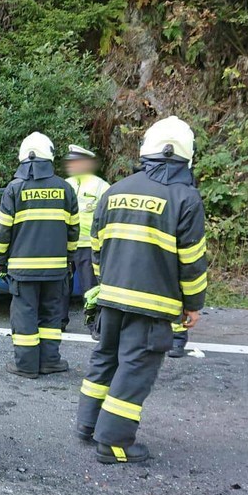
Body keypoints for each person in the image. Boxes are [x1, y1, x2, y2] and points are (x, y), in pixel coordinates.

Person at [74, 116, 207, 464]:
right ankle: (113, 443)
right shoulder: (186, 198)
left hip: (111, 297)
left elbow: (97, 246)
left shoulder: (115, 190)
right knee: (135, 370)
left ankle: (88, 425)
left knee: (105, 359)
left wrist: (106, 283)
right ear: (184, 155)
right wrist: (193, 304)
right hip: (152, 305)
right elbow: (191, 260)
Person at [0, 131, 80, 378]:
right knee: (52, 315)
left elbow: (3, 231)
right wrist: (69, 259)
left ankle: (26, 365)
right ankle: (50, 361)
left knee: (25, 316)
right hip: (56, 269)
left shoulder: (14, 189)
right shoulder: (65, 189)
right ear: (49, 157)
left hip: (23, 271)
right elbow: (74, 230)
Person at [60, 145, 110, 332]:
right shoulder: (66, 184)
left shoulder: (101, 186)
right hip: (66, 243)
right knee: (62, 284)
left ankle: (93, 323)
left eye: (75, 162)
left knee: (90, 287)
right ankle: (60, 321)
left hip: (89, 244)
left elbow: (108, 216)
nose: (71, 165)